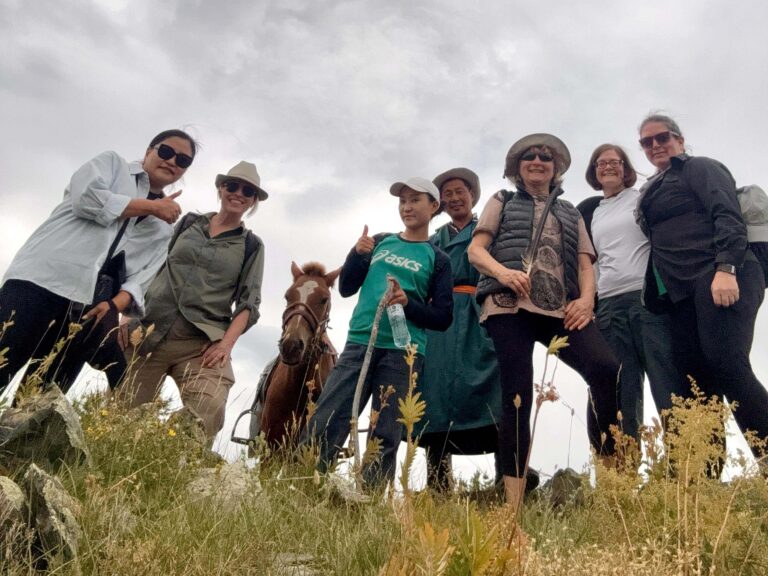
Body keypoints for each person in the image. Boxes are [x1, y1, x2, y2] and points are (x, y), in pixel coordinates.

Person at [467, 133, 620, 510]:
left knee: (606, 368)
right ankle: (513, 505)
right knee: (517, 396)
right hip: (509, 305)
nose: (538, 161)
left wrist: (586, 300)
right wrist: (503, 273)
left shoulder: (570, 212)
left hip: (560, 308)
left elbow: (586, 264)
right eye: (529, 157)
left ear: (557, 169)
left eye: (546, 157)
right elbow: (476, 250)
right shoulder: (501, 200)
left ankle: (612, 479)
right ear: (516, 168)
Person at [0, 129, 194, 395]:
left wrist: (112, 305)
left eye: (182, 160)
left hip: (87, 310)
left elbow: (141, 279)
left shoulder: (163, 230)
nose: (172, 161)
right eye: (166, 151)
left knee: (37, 402)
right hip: (39, 282)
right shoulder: (112, 165)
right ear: (149, 151)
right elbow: (86, 199)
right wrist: (152, 207)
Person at [304, 177, 453, 487]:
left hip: (405, 352)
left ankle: (368, 501)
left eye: (415, 200)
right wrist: (355, 255)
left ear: (434, 206)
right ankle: (304, 484)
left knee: (386, 430)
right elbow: (345, 288)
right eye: (403, 201)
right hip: (360, 342)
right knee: (330, 415)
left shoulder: (438, 259)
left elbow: (442, 317)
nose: (407, 206)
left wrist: (408, 303)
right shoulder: (380, 241)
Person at [635, 113, 768, 462]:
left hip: (721, 273)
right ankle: (706, 482)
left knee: (727, 364)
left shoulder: (699, 167)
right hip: (681, 296)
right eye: (646, 142)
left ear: (679, 139)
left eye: (661, 137)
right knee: (698, 384)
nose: (654, 146)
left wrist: (725, 267)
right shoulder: (655, 187)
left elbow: (727, 214)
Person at [118, 161, 266, 441]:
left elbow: (249, 303)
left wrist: (225, 345)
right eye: (232, 186)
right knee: (121, 418)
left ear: (253, 200)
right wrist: (127, 314)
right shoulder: (187, 224)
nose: (238, 193)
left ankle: (174, 470)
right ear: (221, 188)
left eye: (247, 191)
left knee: (207, 410)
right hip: (148, 330)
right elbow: (151, 265)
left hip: (200, 344)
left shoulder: (251, 246)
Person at [584, 144, 683, 440]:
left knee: (664, 377)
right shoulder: (594, 211)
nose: (608, 167)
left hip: (645, 298)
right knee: (622, 387)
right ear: (594, 171)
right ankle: (625, 470)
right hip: (609, 305)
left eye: (615, 162)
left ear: (626, 169)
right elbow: (592, 259)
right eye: (601, 163)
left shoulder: (642, 198)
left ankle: (684, 468)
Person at [414, 168, 502, 493]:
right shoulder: (433, 239)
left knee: (493, 386)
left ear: (472, 195)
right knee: (434, 392)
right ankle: (438, 482)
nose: (453, 198)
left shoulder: (488, 230)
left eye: (459, 191)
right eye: (447, 194)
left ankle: (505, 475)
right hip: (440, 320)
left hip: (481, 314)